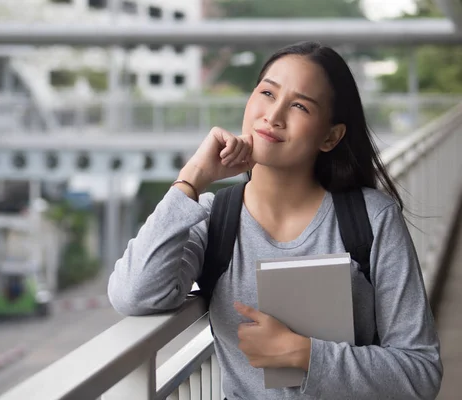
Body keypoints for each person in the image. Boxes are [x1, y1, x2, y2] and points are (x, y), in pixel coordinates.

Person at [107, 41, 442, 399]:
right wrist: (191, 179)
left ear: (330, 136)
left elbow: (420, 371)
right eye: (267, 92)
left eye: (299, 105)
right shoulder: (214, 218)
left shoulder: (372, 219)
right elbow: (133, 294)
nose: (274, 115)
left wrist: (304, 354)